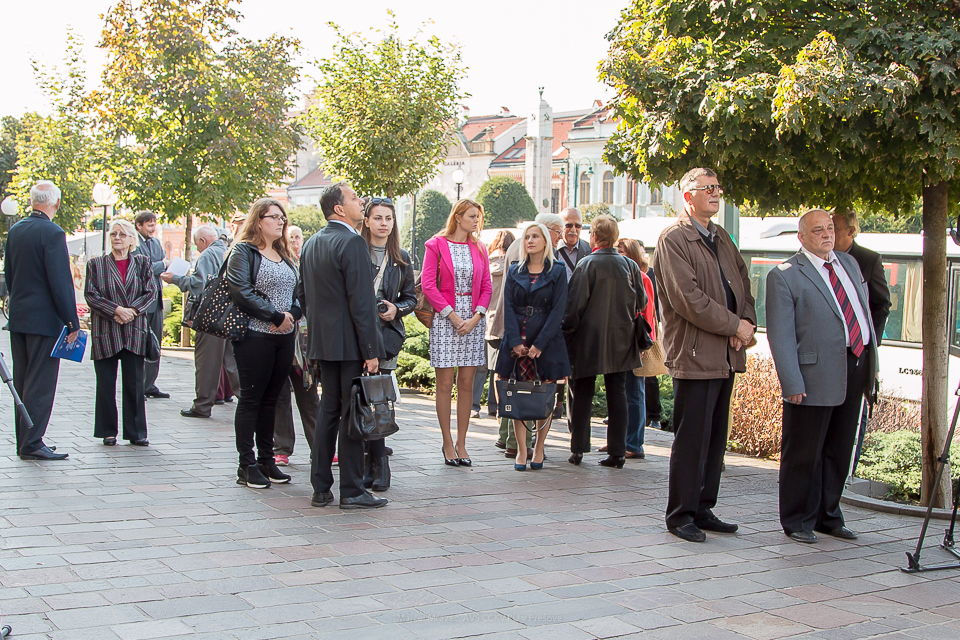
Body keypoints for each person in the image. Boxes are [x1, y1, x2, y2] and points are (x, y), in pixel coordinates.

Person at [653, 167, 757, 543]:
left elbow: (743, 284)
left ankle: (703, 506)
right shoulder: (673, 239)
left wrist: (746, 322)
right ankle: (681, 514)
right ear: (688, 196)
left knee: (715, 436)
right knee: (692, 437)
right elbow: (689, 299)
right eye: (707, 188)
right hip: (695, 353)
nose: (715, 193)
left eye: (718, 188)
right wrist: (734, 326)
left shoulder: (722, 237)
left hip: (726, 354)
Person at [766, 209, 878, 544]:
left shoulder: (848, 264)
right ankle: (798, 518)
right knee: (804, 450)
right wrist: (792, 382)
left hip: (854, 363)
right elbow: (781, 335)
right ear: (802, 236)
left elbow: (863, 311)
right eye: (818, 230)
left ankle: (829, 515)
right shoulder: (785, 275)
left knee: (839, 447)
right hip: (812, 373)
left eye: (830, 228)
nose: (827, 235)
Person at [299, 182, 386, 509]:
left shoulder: (311, 243)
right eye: (353, 198)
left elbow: (303, 295)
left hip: (323, 343)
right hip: (350, 344)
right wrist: (372, 351)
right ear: (338, 208)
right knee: (351, 414)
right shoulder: (351, 242)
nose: (360, 201)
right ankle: (351, 489)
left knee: (328, 412)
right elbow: (362, 304)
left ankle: (321, 487)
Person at [226, 198, 302, 489]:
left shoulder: (284, 254)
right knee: (251, 399)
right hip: (254, 335)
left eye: (282, 217)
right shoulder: (243, 251)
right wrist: (273, 315)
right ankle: (246, 465)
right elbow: (241, 291)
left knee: (273, 399)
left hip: (284, 336)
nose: (280, 221)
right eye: (274, 217)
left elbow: (297, 292)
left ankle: (266, 460)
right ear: (258, 220)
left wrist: (291, 315)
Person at [562, 215, 646, 468]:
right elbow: (641, 302)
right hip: (621, 338)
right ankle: (618, 453)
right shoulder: (630, 266)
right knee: (617, 393)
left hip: (588, 339)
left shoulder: (586, 265)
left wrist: (567, 333)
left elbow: (574, 305)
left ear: (595, 236)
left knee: (582, 392)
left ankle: (578, 449)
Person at [4, 181, 79, 460]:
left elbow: (10, 275)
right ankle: (33, 443)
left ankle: (26, 440)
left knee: (23, 382)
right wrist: (72, 321)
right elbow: (60, 282)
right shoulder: (53, 233)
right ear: (56, 203)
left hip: (20, 318)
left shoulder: (16, 230)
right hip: (45, 321)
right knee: (41, 383)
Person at [422, 199, 493, 467]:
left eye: (478, 217)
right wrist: (452, 316)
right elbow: (428, 285)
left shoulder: (480, 248)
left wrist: (476, 317)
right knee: (444, 385)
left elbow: (487, 286)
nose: (476, 221)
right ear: (459, 216)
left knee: (466, 384)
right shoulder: (436, 244)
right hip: (444, 318)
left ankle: (462, 442)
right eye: (472, 216)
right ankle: (447, 442)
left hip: (473, 321)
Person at [497, 222, 570, 470]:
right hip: (518, 338)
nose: (530, 240)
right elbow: (506, 306)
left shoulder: (558, 271)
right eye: (527, 236)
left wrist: (540, 343)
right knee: (518, 394)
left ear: (545, 241)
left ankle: (539, 449)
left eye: (535, 236)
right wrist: (515, 342)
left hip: (546, 340)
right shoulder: (515, 270)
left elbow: (559, 309)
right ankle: (520, 450)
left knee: (544, 397)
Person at [84, 219, 158, 446]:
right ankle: (107, 431)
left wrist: (132, 311)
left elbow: (150, 293)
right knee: (105, 385)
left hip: (134, 330)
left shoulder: (143, 263)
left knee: (135, 384)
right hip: (106, 329)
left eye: (122, 234)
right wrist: (116, 310)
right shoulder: (96, 264)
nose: (117, 237)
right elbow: (91, 294)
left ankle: (136, 432)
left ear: (131, 240)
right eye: (114, 234)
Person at [360, 197, 416, 491]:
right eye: (378, 218)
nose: (383, 223)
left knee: (380, 400)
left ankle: (380, 465)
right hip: (356, 336)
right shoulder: (355, 251)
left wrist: (397, 309)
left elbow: (411, 297)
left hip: (386, 337)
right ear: (366, 220)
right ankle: (368, 460)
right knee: (359, 399)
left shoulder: (401, 257)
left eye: (388, 219)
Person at [833, 208, 892, 474]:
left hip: (857, 354)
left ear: (851, 232)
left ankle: (844, 474)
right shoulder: (817, 258)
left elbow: (881, 305)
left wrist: (870, 346)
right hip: (827, 353)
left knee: (850, 420)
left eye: (834, 228)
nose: (828, 234)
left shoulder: (868, 260)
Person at [162, 224, 240, 419]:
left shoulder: (206, 255)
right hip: (230, 315)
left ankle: (202, 405)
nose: (197, 248)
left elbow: (198, 285)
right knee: (232, 363)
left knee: (207, 363)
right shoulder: (229, 251)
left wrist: (175, 279)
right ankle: (251, 401)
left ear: (204, 241)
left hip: (211, 316)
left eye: (197, 244)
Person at [272, 224, 319, 466]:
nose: (293, 241)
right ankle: (281, 447)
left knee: (308, 391)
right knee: (280, 395)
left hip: (302, 337)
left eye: (296, 237)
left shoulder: (306, 259)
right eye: (289, 238)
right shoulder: (272, 259)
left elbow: (308, 295)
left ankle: (319, 446)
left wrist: (293, 314)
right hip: (277, 333)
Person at [616, 238, 656, 459]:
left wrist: (642, 343)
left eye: (622, 251)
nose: (619, 255)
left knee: (634, 392)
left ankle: (634, 443)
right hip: (619, 342)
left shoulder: (642, 278)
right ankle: (620, 441)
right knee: (621, 392)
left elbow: (647, 313)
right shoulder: (619, 276)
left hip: (634, 343)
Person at [131, 211, 170, 399]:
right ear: (139, 225)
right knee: (141, 344)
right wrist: (160, 265)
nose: (153, 228)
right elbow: (141, 268)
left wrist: (160, 265)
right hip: (141, 301)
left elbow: (162, 263)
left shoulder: (155, 243)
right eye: (149, 225)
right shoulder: (134, 243)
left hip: (157, 299)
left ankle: (150, 384)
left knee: (156, 344)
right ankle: (138, 385)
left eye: (154, 224)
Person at [485, 230, 514, 434]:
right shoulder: (515, 265)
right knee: (506, 369)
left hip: (490, 321)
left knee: (494, 369)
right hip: (508, 321)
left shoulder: (487, 264)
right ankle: (504, 408)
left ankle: (493, 406)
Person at [557, 208, 591, 280]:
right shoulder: (551, 250)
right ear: (560, 226)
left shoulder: (590, 251)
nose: (573, 230)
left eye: (577, 226)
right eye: (568, 225)